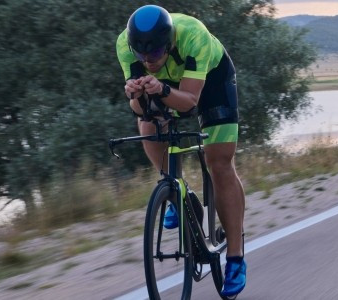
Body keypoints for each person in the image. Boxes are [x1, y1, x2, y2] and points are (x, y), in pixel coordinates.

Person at [116, 5, 247, 298]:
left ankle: (236, 258)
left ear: (169, 42)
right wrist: (135, 95)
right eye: (141, 56)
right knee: (148, 121)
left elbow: (188, 103)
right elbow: (139, 109)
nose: (147, 61)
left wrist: (161, 90)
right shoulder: (125, 44)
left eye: (155, 54)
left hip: (212, 81)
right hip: (169, 85)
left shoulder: (192, 36)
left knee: (219, 163)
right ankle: (175, 193)